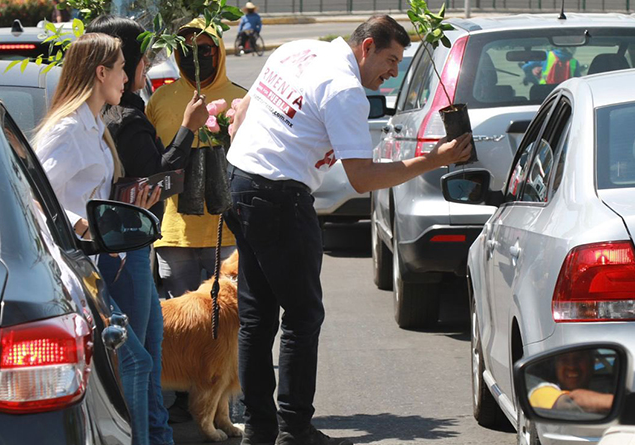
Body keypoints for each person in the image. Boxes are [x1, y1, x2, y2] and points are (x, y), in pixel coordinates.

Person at [224, 15, 473, 445]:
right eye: (391, 59)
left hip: (240, 182)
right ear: (367, 46)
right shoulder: (344, 89)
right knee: (302, 318)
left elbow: (242, 111)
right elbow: (362, 179)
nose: (393, 71)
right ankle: (294, 431)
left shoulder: (297, 49)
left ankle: (261, 430)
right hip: (280, 196)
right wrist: (435, 159)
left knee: (257, 318)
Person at [86, 14, 214, 445]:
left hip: (126, 243)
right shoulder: (124, 117)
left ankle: (157, 435)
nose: (138, 73)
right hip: (125, 246)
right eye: (133, 64)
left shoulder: (112, 113)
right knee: (140, 359)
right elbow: (156, 176)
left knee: (149, 355)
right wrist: (187, 130)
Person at [32, 32, 165, 445]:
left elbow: (93, 194)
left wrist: (129, 201)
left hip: (111, 259)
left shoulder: (94, 125)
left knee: (146, 357)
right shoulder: (67, 130)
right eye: (122, 67)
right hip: (83, 267)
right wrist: (82, 224)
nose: (128, 76)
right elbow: (34, 197)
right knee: (135, 364)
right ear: (100, 72)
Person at [146, 18, 246, 299]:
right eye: (187, 50)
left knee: (227, 322)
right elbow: (148, 163)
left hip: (227, 235)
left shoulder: (242, 99)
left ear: (218, 51)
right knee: (180, 326)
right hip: (175, 235)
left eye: (204, 49)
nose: (196, 58)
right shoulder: (160, 99)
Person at [527, 350, 615, 415]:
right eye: (564, 359)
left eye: (579, 358)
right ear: (555, 366)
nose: (571, 366)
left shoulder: (606, 389)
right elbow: (569, 402)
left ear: (592, 364)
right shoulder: (541, 391)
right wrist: (622, 404)